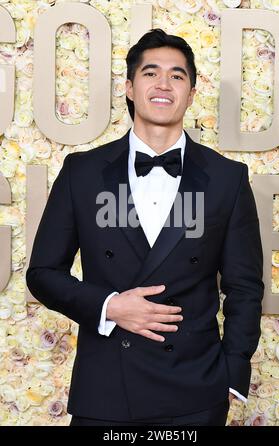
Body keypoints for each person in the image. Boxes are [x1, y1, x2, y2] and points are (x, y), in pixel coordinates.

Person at [26, 28, 264, 426]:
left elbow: (244, 286)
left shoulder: (227, 178)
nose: (163, 84)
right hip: (104, 389)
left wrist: (233, 372)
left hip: (196, 391)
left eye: (177, 75)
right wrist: (110, 306)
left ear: (191, 92)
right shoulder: (82, 173)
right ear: (131, 87)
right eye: (151, 73)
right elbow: (43, 273)